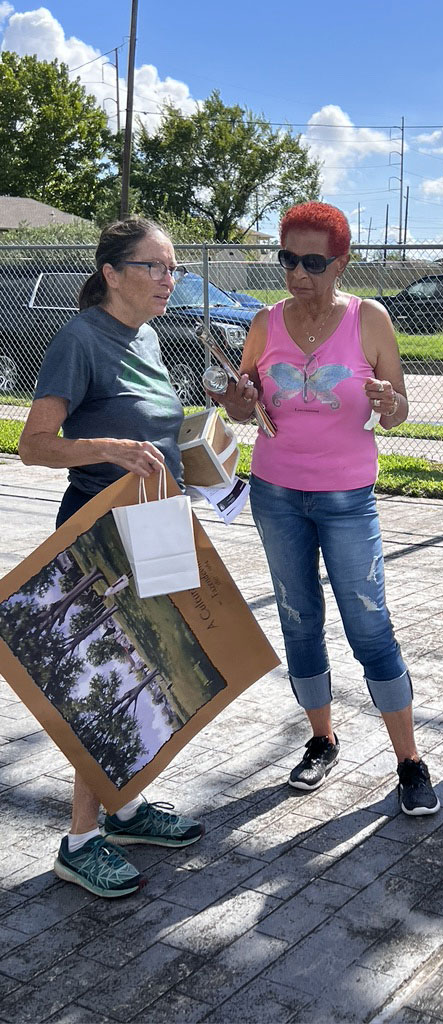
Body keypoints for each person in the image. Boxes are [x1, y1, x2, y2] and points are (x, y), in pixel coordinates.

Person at [211, 201, 439, 816]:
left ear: (342, 262)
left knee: (369, 623)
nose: (298, 273)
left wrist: (389, 400)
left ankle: (409, 761)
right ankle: (321, 739)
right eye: (288, 259)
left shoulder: (371, 320)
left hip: (346, 497)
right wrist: (236, 399)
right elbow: (246, 407)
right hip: (276, 493)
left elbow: (398, 411)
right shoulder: (264, 322)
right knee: (297, 616)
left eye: (313, 261)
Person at [18, 217, 204, 897]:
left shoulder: (150, 336)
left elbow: (150, 429)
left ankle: (125, 809)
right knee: (100, 685)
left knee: (148, 669)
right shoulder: (79, 339)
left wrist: (199, 458)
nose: (169, 279)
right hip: (98, 536)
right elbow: (33, 444)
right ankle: (80, 840)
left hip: (153, 525)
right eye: (156, 267)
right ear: (113, 274)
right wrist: (105, 448)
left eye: (173, 268)